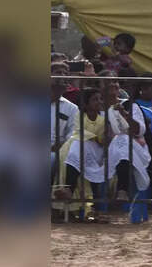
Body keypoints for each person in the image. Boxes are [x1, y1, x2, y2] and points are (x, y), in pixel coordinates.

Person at [52, 88, 108, 222]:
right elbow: (78, 132)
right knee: (72, 161)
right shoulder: (79, 115)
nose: (99, 102)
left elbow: (105, 139)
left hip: (95, 151)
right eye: (95, 99)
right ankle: (68, 209)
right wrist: (97, 138)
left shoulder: (103, 119)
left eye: (100, 99)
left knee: (89, 170)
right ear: (86, 104)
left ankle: (87, 209)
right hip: (73, 148)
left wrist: (97, 140)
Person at [99, 72, 152, 202]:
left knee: (122, 140)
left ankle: (122, 189)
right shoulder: (93, 106)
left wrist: (124, 114)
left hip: (134, 149)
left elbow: (140, 131)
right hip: (102, 148)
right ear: (99, 87)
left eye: (115, 81)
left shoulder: (130, 105)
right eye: (108, 81)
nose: (113, 84)